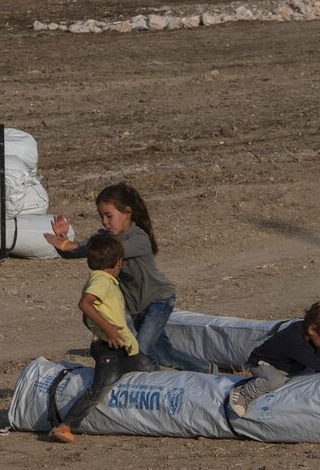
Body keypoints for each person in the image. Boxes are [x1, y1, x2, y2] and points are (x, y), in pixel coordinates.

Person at [46, 183, 212, 373]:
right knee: (165, 354)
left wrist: (67, 244)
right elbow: (82, 252)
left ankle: (155, 386)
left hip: (158, 299)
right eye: (101, 217)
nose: (105, 222)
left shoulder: (139, 239)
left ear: (127, 213)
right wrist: (63, 240)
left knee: (140, 351)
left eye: (109, 216)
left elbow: (106, 250)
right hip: (136, 307)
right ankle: (208, 369)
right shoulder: (104, 239)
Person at [48, 233, 155, 444]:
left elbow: (87, 315)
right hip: (108, 348)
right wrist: (108, 330)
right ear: (118, 263)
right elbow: (85, 304)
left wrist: (101, 327)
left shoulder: (104, 281)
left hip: (124, 346)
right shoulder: (101, 280)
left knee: (149, 368)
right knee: (102, 386)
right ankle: (66, 425)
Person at [227, 300, 320, 418]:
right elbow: (316, 363)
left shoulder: (311, 338)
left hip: (284, 366)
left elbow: (317, 360)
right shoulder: (294, 340)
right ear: (312, 330)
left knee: (305, 375)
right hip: (262, 363)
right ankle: (244, 392)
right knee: (276, 381)